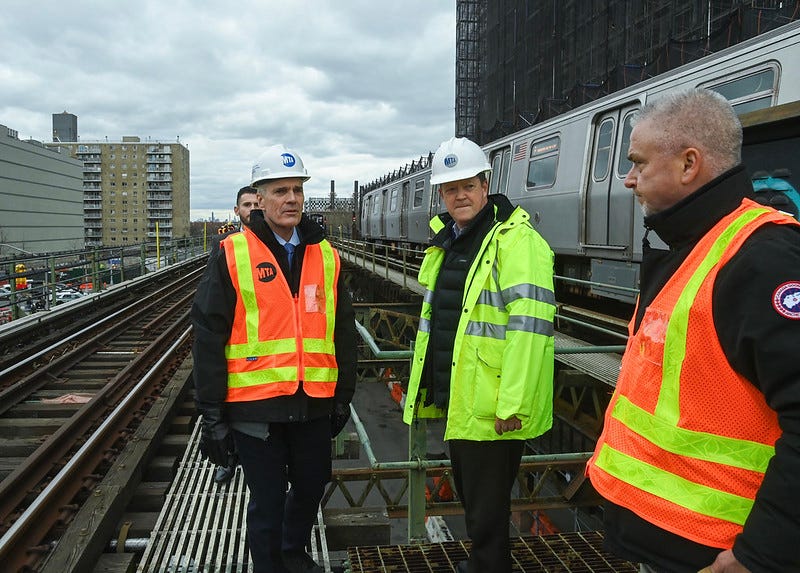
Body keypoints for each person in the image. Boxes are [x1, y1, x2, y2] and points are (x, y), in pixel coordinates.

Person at [585, 89, 800, 572]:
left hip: (713, 553)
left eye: (639, 163)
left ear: (689, 164)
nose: (628, 178)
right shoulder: (692, 245)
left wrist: (760, 556)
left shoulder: (760, 259)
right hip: (667, 543)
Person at [191, 144, 357, 573]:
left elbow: (342, 331)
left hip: (313, 401)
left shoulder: (327, 256)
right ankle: (269, 565)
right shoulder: (231, 254)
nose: (292, 199)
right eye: (280, 190)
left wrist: (343, 396)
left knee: (310, 485)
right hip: (255, 406)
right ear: (259, 200)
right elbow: (208, 336)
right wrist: (212, 413)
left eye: (298, 189)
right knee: (265, 501)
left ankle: (291, 555)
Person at [402, 137, 556, 573]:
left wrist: (514, 403)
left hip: (494, 405)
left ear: (486, 184)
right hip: (463, 396)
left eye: (468, 185)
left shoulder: (516, 241)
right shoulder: (448, 241)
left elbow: (531, 331)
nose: (460, 195)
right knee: (475, 504)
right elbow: (440, 322)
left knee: (487, 514)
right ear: (441, 195)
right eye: (451, 189)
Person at [212, 185, 261, 485]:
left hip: (265, 343)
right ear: (237, 210)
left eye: (257, 203)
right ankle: (229, 459)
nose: (253, 209)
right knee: (230, 402)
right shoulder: (226, 245)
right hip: (236, 337)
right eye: (247, 204)